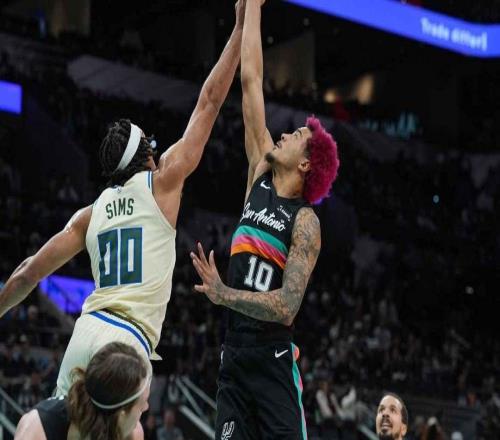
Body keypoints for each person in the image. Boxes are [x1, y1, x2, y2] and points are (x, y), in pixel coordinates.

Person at [0, 0, 246, 396]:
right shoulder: (163, 182)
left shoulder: (88, 214)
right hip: (127, 341)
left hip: (85, 331)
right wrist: (239, 29)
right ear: (147, 156)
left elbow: (29, 272)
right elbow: (209, 101)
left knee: (58, 423)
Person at [190, 1, 340, 437]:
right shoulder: (260, 173)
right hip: (234, 356)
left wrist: (224, 294)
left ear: (307, 164)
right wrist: (252, 9)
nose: (286, 133)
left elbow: (287, 305)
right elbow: (251, 80)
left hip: (273, 361)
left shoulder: (305, 222)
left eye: (297, 136)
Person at [14, 342, 150, 440]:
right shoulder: (36, 429)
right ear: (121, 414)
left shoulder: (133, 433)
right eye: (141, 403)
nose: (146, 407)